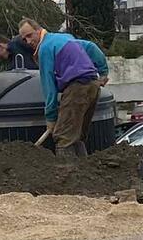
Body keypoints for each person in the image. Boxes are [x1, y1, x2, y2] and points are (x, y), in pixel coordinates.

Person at [18, 18, 108, 157]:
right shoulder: (65, 38)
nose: (28, 42)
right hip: (92, 87)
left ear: (38, 30)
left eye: (29, 35)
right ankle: (84, 174)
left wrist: (51, 118)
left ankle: (68, 176)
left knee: (63, 138)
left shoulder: (45, 48)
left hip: (77, 88)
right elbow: (91, 47)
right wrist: (102, 72)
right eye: (24, 39)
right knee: (76, 137)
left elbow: (49, 87)